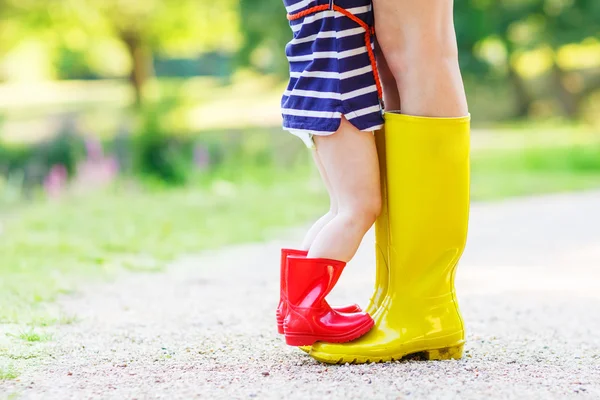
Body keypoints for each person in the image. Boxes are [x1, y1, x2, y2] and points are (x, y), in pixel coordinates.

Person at [277, 0, 471, 360]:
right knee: (357, 208)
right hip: (338, 103)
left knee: (340, 209)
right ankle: (307, 308)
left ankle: (297, 306)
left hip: (318, 100)